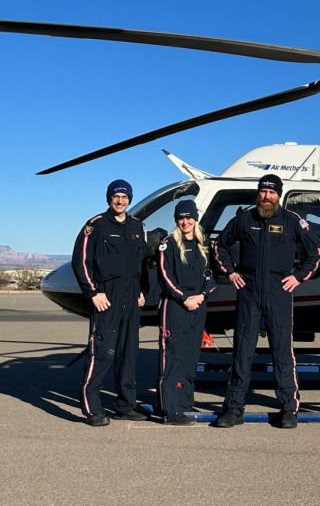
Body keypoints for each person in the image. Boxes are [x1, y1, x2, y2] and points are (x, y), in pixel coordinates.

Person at [211, 174, 320, 429]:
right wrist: (231, 272)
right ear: (258, 193)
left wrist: (298, 277)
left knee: (282, 351)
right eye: (263, 191)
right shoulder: (243, 219)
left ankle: (288, 408)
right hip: (248, 291)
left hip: (279, 292)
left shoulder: (292, 221)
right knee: (242, 350)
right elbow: (219, 246)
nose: (266, 196)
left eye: (271, 192)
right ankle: (234, 408)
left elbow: (315, 252)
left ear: (279, 195)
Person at [71, 179, 149, 427]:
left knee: (128, 355)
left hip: (131, 300)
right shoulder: (95, 226)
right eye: (116, 196)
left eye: (124, 197)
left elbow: (145, 262)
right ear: (109, 198)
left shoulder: (137, 226)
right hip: (107, 298)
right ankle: (92, 408)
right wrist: (93, 292)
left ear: (130, 199)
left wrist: (143, 291)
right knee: (102, 353)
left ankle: (125, 406)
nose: (120, 200)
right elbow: (80, 262)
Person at [156, 200, 216, 425]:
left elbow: (211, 274)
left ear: (195, 219)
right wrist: (183, 298)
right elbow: (165, 274)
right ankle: (169, 410)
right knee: (172, 357)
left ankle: (184, 401)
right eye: (181, 218)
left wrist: (202, 296)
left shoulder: (203, 243)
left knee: (191, 355)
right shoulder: (168, 243)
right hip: (175, 306)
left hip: (198, 305)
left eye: (189, 217)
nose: (185, 222)